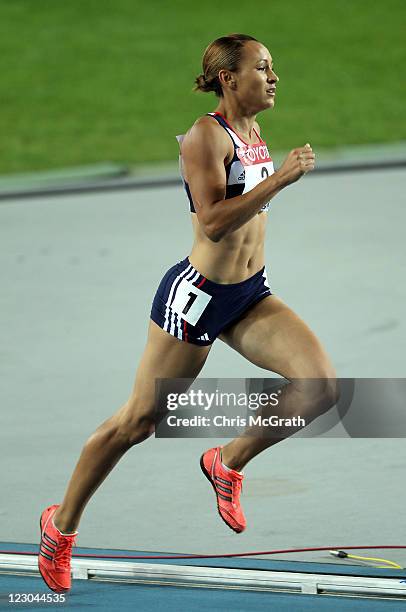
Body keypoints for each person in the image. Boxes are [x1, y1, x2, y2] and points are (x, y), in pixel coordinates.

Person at [38, 33, 338, 593]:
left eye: (273, 67)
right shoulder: (206, 135)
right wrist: (282, 177)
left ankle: (226, 462)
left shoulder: (250, 131)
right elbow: (213, 222)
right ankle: (60, 527)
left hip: (249, 293)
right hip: (197, 298)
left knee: (319, 385)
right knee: (138, 423)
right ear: (228, 78)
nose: (274, 77)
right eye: (262, 68)